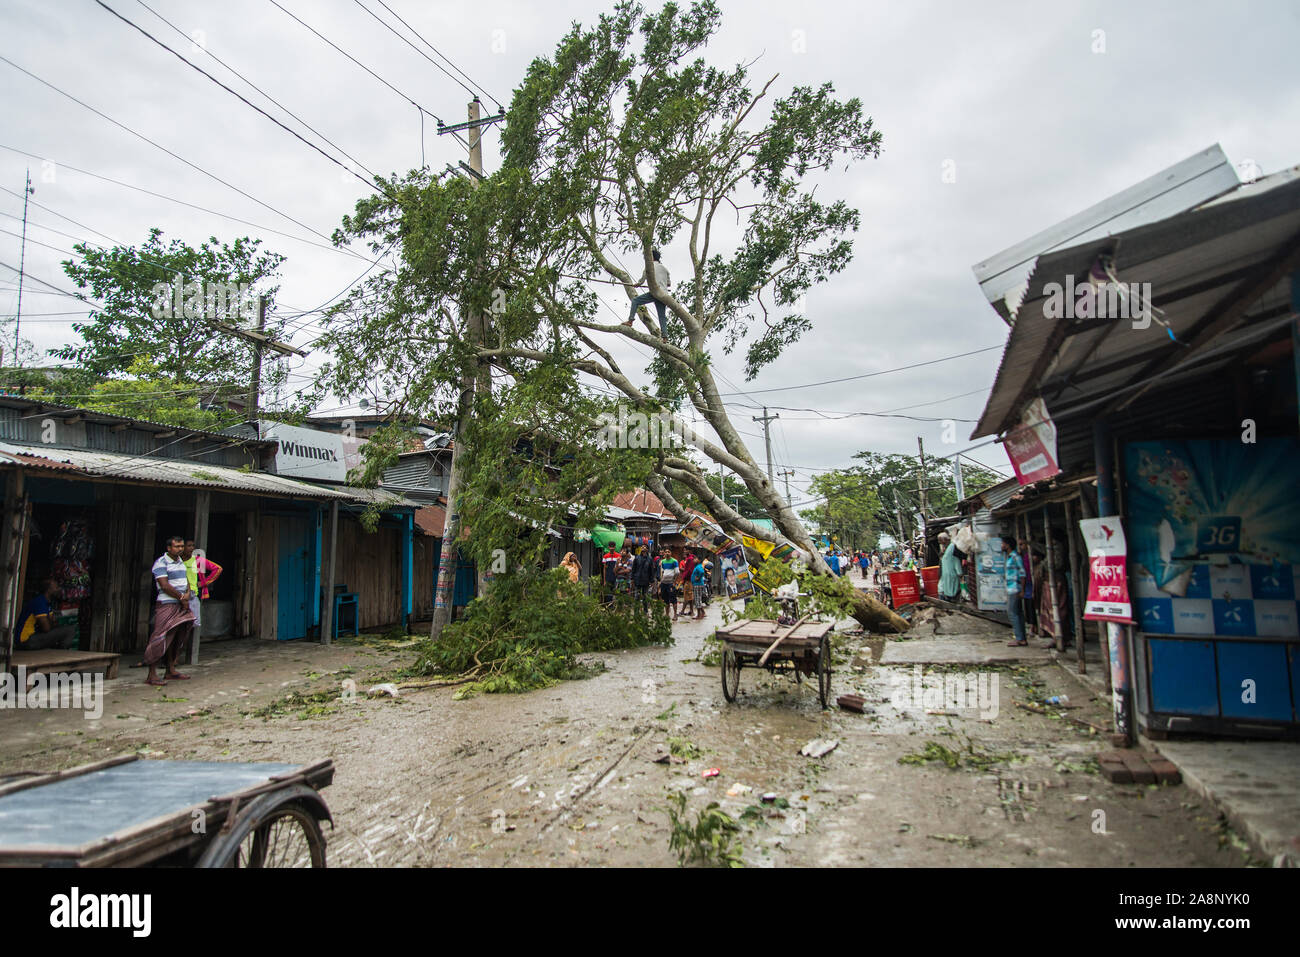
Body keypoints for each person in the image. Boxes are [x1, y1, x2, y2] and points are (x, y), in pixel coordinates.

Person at [145, 536, 196, 686]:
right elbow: (165, 585)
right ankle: (152, 674)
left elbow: (185, 580)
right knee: (161, 637)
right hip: (167, 604)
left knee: (178, 636)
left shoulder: (181, 562)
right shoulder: (161, 563)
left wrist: (187, 594)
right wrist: (181, 597)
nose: (180, 549)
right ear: (169, 548)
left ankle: (170, 669)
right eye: (177, 546)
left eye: (181, 546)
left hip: (181, 604)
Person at [14, 578, 78, 651]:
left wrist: (52, 625)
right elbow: (46, 628)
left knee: (63, 630)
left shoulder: (47, 603)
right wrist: (52, 625)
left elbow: (52, 622)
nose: (59, 590)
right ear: (49, 590)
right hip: (26, 641)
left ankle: (58, 651)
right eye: (56, 588)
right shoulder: (39, 602)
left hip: (33, 637)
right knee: (70, 630)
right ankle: (61, 653)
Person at [622, 249, 672, 338]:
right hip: (664, 295)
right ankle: (665, 336)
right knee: (661, 316)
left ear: (651, 257)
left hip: (655, 292)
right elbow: (668, 284)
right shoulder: (665, 269)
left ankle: (630, 321)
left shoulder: (649, 267)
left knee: (635, 301)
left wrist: (637, 284)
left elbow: (641, 281)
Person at [182, 540, 223, 641]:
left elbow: (218, 569)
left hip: (192, 594)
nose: (191, 548)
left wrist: (204, 583)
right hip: (177, 593)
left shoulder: (197, 560)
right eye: (188, 546)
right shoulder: (177, 561)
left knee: (193, 623)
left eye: (193, 546)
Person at [1002, 536, 1027, 646]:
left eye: (1003, 543)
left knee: (1013, 613)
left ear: (1007, 545)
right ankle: (1022, 637)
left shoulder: (1015, 557)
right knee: (1017, 613)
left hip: (1015, 588)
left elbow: (1023, 574)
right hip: (1011, 587)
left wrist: (1022, 589)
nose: (1001, 546)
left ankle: (1019, 638)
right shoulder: (1009, 557)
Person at [938, 533, 962, 601]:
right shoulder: (947, 548)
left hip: (951, 576)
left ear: (945, 539)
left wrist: (959, 572)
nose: (939, 542)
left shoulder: (952, 547)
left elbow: (956, 560)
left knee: (951, 594)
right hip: (946, 577)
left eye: (940, 540)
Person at [630, 546, 654, 613]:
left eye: (644, 547)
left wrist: (652, 581)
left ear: (647, 549)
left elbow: (651, 570)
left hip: (646, 580)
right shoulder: (637, 558)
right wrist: (632, 578)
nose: (643, 548)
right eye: (642, 547)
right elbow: (633, 569)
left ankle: (645, 611)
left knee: (645, 597)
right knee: (636, 596)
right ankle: (636, 612)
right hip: (637, 579)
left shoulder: (650, 559)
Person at [658, 550, 681, 620]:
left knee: (673, 599)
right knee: (665, 600)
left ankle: (675, 615)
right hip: (664, 583)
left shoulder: (674, 561)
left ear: (671, 553)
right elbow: (661, 572)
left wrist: (674, 582)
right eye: (666, 552)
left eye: (669, 552)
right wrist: (660, 583)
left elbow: (677, 572)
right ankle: (667, 614)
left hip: (671, 583)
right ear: (664, 553)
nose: (667, 553)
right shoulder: (662, 562)